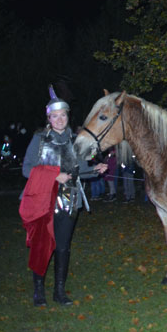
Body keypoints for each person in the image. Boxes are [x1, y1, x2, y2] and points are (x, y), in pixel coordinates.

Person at [20, 86, 107, 307]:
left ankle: (59, 291)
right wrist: (53, 176)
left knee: (63, 247)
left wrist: (96, 168)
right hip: (43, 200)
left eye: (63, 115)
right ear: (49, 118)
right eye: (55, 116)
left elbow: (81, 170)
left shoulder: (77, 140)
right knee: (42, 245)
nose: (60, 119)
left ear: (68, 116)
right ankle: (39, 291)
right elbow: (26, 170)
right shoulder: (39, 139)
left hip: (70, 201)